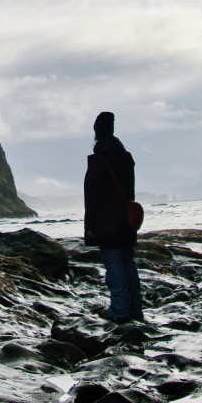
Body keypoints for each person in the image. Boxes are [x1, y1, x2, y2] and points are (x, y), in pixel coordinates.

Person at [83, 111, 142, 322]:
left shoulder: (100, 159)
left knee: (114, 266)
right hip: (125, 219)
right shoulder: (126, 158)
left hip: (106, 222)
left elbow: (92, 196)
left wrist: (89, 226)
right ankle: (135, 309)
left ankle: (120, 311)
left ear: (98, 130)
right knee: (127, 263)